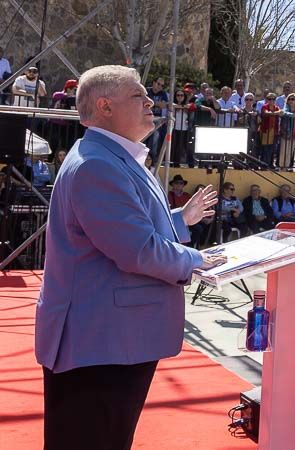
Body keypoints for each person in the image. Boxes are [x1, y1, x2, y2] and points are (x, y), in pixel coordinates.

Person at [36, 65, 224, 450]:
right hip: (99, 346)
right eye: (139, 95)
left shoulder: (113, 157)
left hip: (111, 339)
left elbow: (125, 230)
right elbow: (136, 249)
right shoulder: (97, 165)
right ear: (105, 106)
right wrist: (196, 260)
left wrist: (180, 219)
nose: (151, 102)